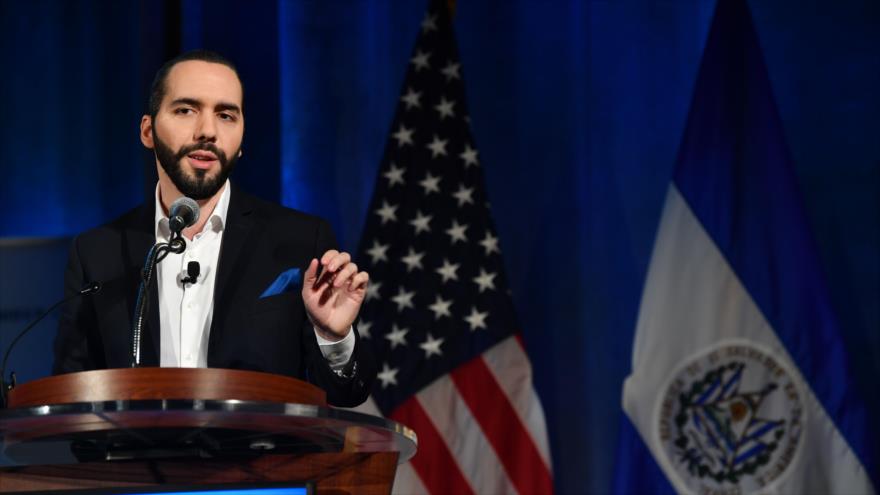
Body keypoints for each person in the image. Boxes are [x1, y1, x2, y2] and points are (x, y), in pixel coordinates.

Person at [53, 50, 374, 407]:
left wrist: (333, 337)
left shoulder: (299, 240)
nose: (207, 131)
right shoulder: (98, 253)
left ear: (241, 138)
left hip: (258, 461)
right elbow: (72, 396)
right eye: (186, 110)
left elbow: (346, 395)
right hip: (138, 461)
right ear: (147, 130)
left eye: (225, 115)